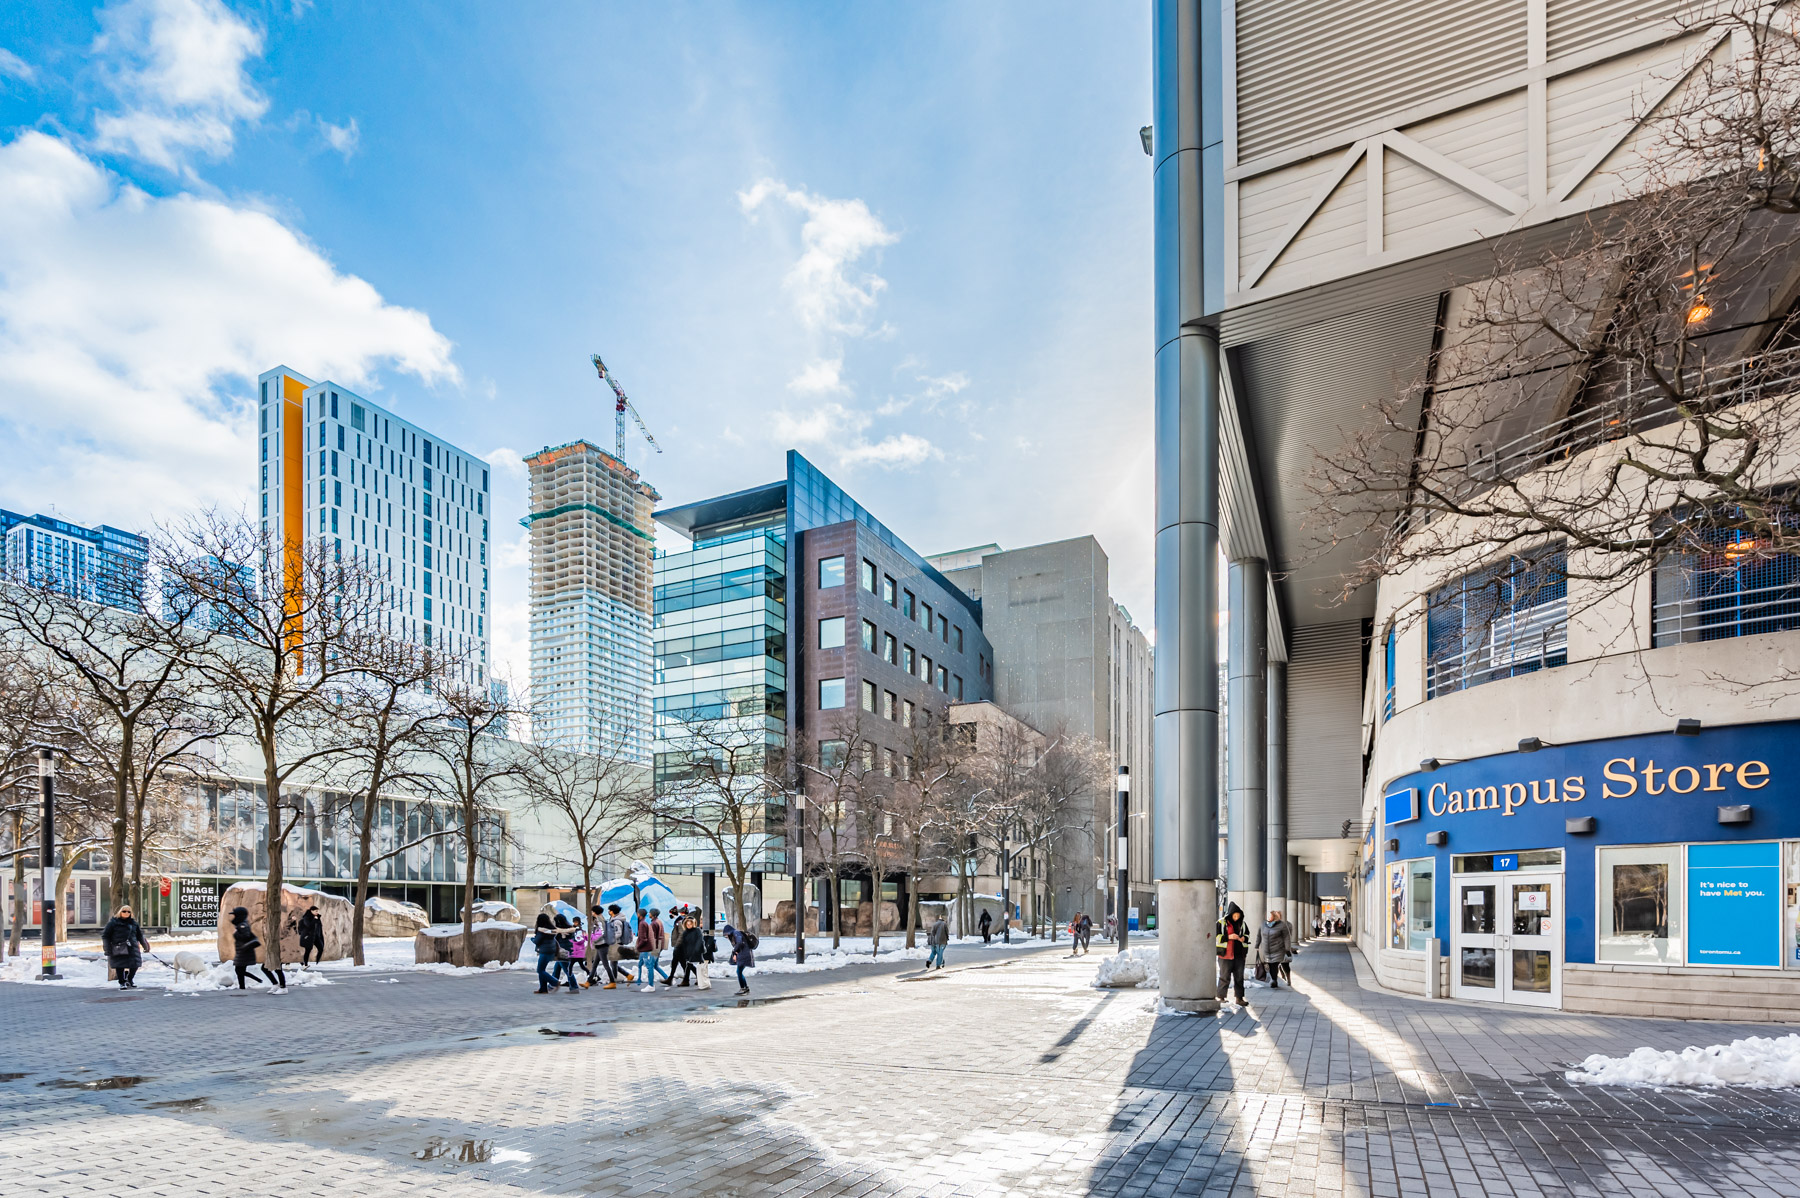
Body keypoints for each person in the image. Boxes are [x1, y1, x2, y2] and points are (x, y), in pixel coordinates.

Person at [229, 906, 285, 993]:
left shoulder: (243, 926)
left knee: (277, 968)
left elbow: (246, 936)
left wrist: (236, 933)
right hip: (269, 949)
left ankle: (283, 987)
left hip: (276, 949)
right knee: (265, 968)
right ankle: (276, 984)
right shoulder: (243, 925)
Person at [102, 904, 150, 990]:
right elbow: (105, 936)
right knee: (120, 966)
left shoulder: (134, 923)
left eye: (128, 911)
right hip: (119, 947)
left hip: (133, 947)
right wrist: (107, 949)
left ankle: (129, 979)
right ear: (120, 912)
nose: (126, 913)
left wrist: (145, 946)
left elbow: (139, 935)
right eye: (124, 911)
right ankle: (122, 982)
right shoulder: (113, 923)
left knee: (135, 965)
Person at [1215, 902, 1249, 1006]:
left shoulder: (1242, 924)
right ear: (1230, 914)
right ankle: (1221, 997)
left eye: (1238, 916)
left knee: (1239, 977)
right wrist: (1229, 937)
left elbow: (1247, 934)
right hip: (1225, 955)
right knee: (1224, 976)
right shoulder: (1221, 923)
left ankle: (1239, 998)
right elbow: (1216, 936)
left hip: (1239, 955)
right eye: (1234, 916)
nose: (1236, 918)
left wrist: (1244, 938)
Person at [1255, 908, 1295, 989]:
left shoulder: (1282, 925)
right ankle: (1274, 978)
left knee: (1275, 965)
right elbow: (1259, 935)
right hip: (1267, 949)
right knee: (1270, 965)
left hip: (1278, 949)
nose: (1269, 917)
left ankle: (1274, 980)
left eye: (1271, 916)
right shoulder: (1263, 924)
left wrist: (1287, 949)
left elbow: (1287, 937)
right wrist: (1257, 945)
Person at [636, 907, 668, 991]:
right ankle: (668, 979)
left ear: (653, 914)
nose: (648, 914)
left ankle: (651, 985)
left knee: (650, 965)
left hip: (655, 947)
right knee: (655, 965)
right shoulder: (659, 922)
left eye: (650, 913)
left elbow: (652, 937)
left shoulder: (653, 924)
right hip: (659, 945)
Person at [722, 921, 756, 995]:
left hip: (744, 955)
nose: (726, 937)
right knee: (739, 972)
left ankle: (743, 988)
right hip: (743, 954)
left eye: (726, 935)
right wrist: (735, 953)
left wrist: (735, 952)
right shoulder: (735, 934)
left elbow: (740, 943)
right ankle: (745, 988)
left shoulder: (736, 933)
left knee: (739, 972)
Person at [669, 915, 704, 986]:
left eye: (690, 924)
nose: (689, 925)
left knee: (690, 965)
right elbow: (684, 943)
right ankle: (687, 980)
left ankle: (693, 979)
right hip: (688, 952)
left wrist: (697, 950)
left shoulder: (697, 930)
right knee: (688, 965)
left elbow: (700, 940)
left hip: (695, 951)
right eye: (687, 924)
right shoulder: (685, 932)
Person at [532, 908, 560, 994]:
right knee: (542, 970)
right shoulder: (550, 929)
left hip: (544, 952)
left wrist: (533, 939)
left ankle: (554, 982)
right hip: (551, 950)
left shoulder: (541, 931)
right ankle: (543, 989)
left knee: (540, 970)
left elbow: (537, 941)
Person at [551, 913, 580, 992]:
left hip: (563, 952)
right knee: (557, 968)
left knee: (567, 970)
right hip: (568, 951)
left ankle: (574, 987)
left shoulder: (561, 931)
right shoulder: (569, 928)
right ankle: (552, 984)